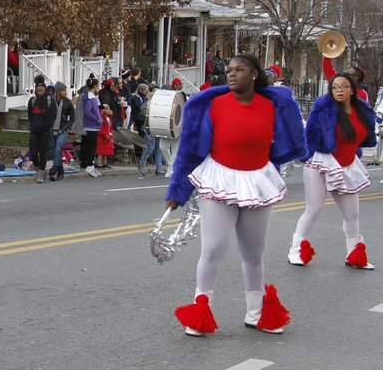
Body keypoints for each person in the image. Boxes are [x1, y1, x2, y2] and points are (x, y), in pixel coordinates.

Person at [166, 53, 305, 337]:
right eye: (229, 70)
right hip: (219, 179)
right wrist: (178, 191)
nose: (231, 74)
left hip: (257, 181)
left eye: (239, 70)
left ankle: (255, 313)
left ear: (254, 75)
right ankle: (200, 311)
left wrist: (267, 165)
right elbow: (192, 150)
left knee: (254, 253)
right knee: (213, 248)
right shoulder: (214, 105)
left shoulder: (270, 106)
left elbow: (282, 145)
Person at [288, 73, 376, 268]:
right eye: (335, 87)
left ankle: (354, 255)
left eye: (344, 86)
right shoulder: (324, 109)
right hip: (321, 163)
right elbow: (310, 134)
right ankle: (295, 251)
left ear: (352, 89)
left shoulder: (361, 110)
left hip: (347, 166)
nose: (339, 90)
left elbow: (364, 135)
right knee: (314, 209)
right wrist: (305, 154)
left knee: (352, 215)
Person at [27, 75, 55, 183]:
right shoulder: (32, 101)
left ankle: (41, 174)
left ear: (45, 90)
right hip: (34, 130)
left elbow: (52, 116)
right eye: (37, 90)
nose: (39, 92)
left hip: (45, 131)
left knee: (43, 152)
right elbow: (30, 114)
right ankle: (38, 166)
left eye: (41, 90)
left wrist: (45, 126)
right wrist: (33, 124)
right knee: (33, 151)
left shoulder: (50, 101)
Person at [48, 81, 74, 182]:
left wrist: (63, 129)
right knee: (55, 151)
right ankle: (61, 171)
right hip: (52, 129)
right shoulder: (51, 101)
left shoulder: (68, 102)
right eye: (64, 91)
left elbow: (72, 118)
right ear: (58, 91)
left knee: (58, 147)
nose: (66, 92)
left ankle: (54, 170)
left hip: (62, 130)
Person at [138, 86, 166, 177]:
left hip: (159, 127)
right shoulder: (150, 102)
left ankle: (159, 168)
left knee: (159, 148)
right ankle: (142, 164)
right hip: (149, 127)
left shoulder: (162, 104)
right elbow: (142, 108)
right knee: (151, 147)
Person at [79, 77, 102, 177]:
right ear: (95, 87)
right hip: (91, 126)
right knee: (91, 147)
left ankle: (87, 164)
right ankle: (89, 165)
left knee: (86, 145)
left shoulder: (91, 97)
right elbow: (88, 112)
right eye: (98, 86)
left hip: (90, 126)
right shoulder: (90, 98)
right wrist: (97, 119)